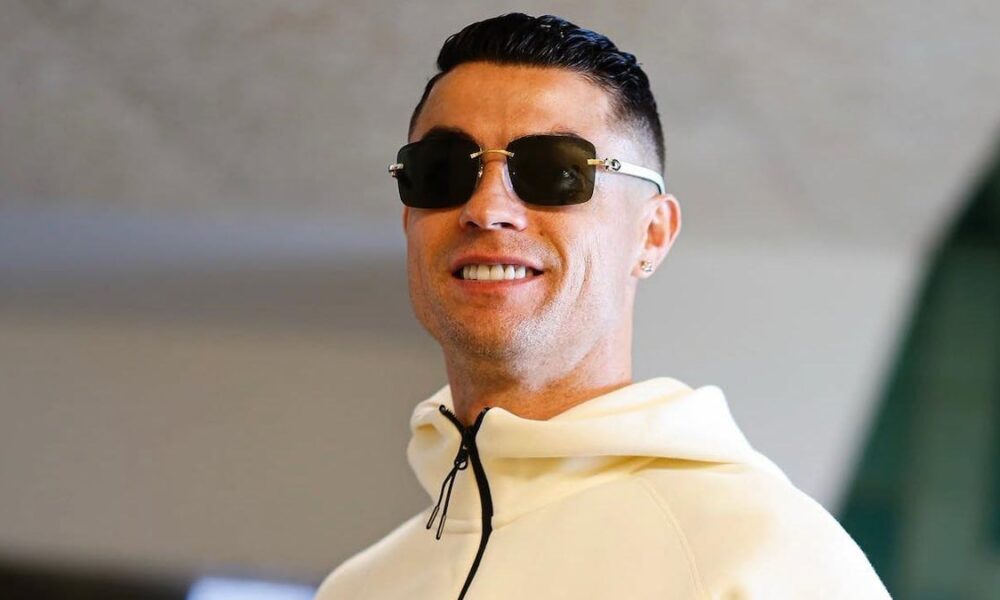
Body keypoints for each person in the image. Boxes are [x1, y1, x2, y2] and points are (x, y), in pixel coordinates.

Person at [315, 12, 891, 600]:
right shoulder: (359, 588)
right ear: (409, 220)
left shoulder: (762, 555)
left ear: (652, 234)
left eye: (554, 170)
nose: (487, 209)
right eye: (441, 171)